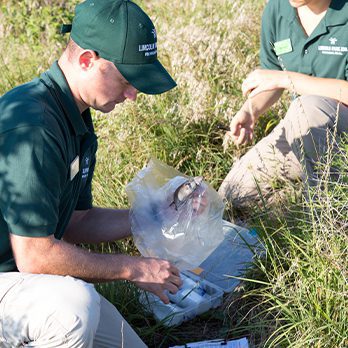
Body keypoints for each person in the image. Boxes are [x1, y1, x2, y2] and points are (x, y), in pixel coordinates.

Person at [0, 0, 182, 347]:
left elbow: (75, 222)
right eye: (127, 80)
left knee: (127, 343)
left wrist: (156, 213)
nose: (132, 94)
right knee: (73, 312)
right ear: (88, 60)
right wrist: (135, 268)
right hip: (14, 274)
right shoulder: (35, 127)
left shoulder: (74, 119)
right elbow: (35, 255)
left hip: (20, 279)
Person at [219, 0, 348, 208]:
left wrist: (286, 79)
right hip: (303, 127)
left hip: (335, 126)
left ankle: (329, 216)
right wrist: (250, 110)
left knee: (306, 108)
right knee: (232, 196)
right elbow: (272, 77)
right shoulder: (277, 9)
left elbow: (280, 78)